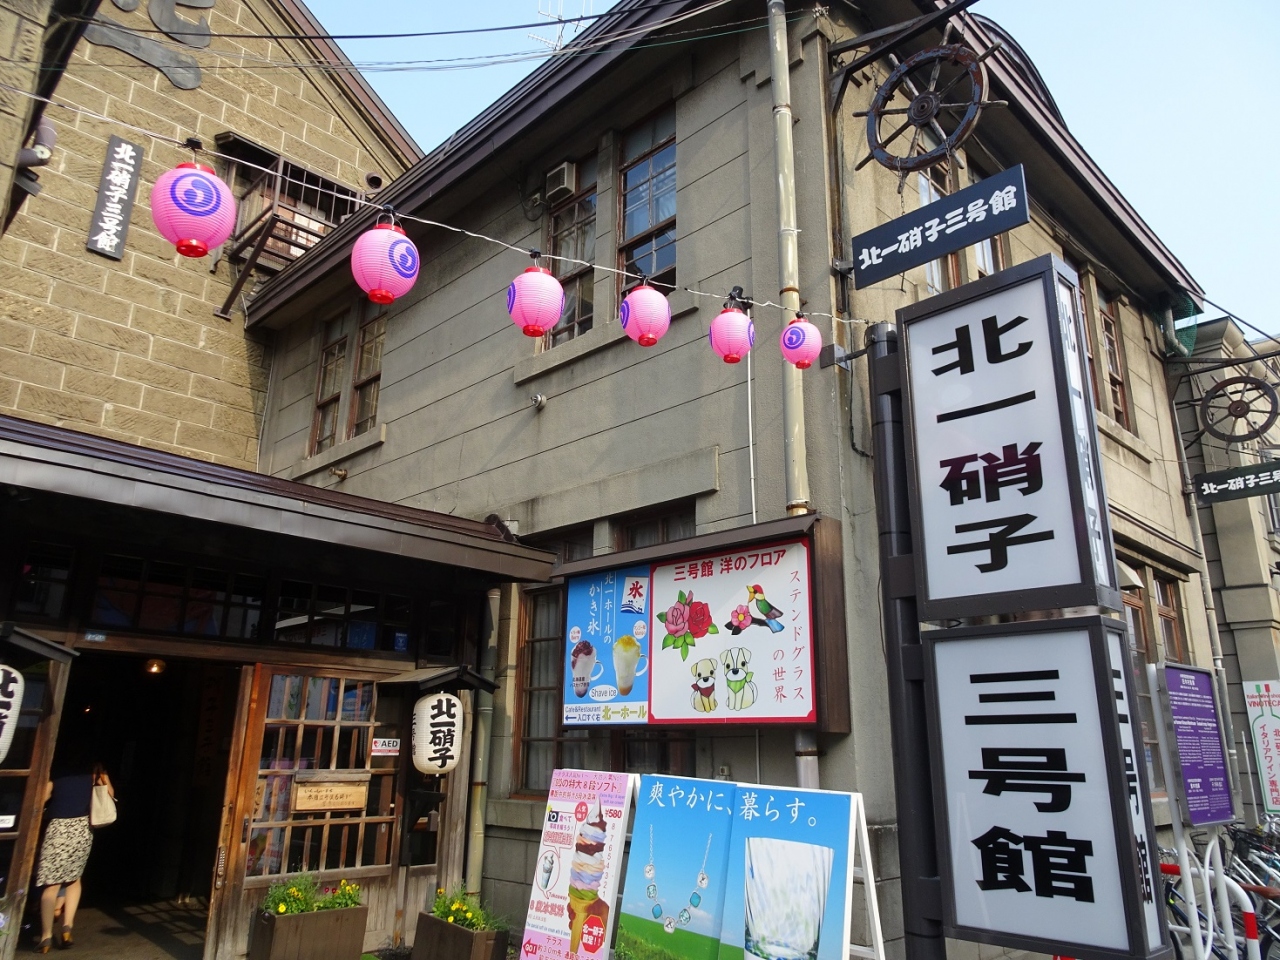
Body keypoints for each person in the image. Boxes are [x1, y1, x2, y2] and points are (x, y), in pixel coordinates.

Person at [34, 761, 113, 953]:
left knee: (51, 885)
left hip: (58, 828)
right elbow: (109, 794)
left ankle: (46, 937)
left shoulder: (57, 773)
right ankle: (67, 929)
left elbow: (41, 798)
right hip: (82, 829)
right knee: (74, 880)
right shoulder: (94, 773)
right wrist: (103, 775)